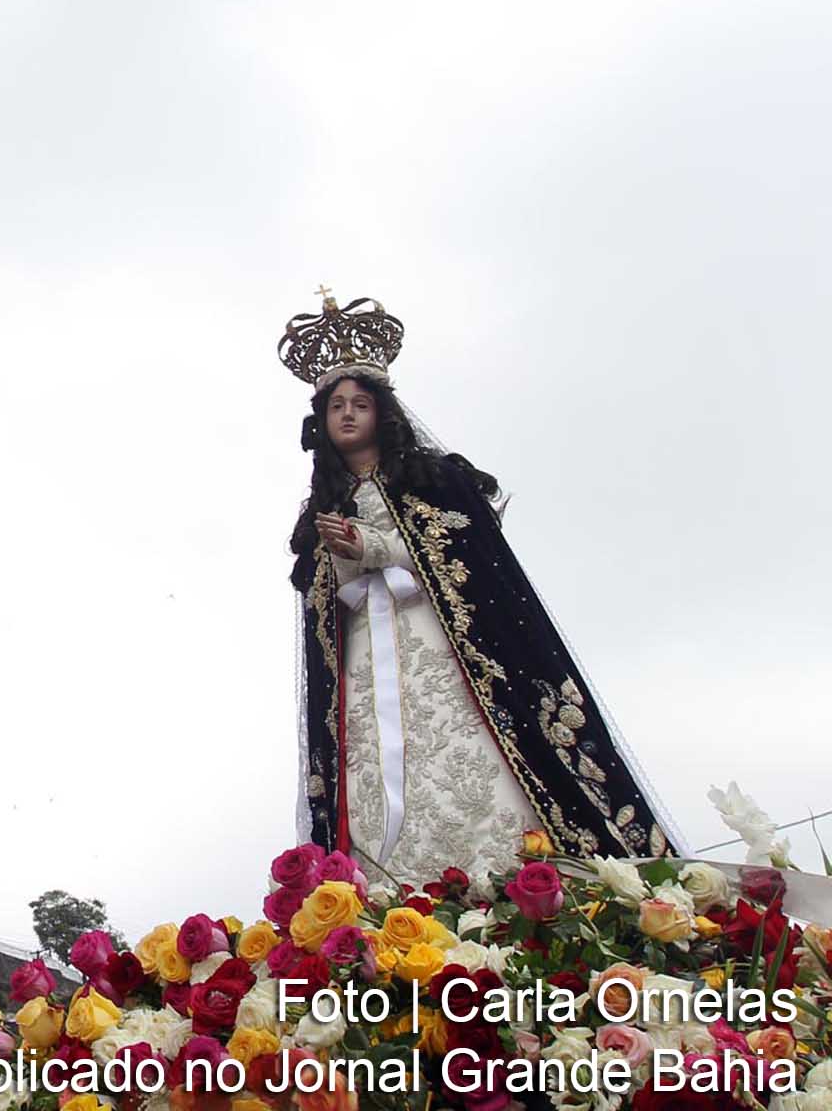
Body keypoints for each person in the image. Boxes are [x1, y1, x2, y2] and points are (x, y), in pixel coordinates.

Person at [279, 294, 675, 885]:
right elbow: (317, 604)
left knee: (470, 757)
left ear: (382, 413)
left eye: (360, 403)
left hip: (447, 651)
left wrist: (379, 547)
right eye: (336, 405)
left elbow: (473, 557)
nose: (347, 415)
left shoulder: (434, 479)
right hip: (364, 660)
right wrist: (338, 557)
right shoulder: (321, 508)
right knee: (372, 766)